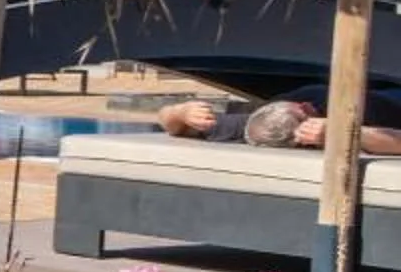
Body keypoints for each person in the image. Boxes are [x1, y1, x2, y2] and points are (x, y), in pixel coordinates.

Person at [157, 83, 401, 153]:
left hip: (388, 100)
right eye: (303, 110)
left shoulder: (365, 110)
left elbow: (165, 118)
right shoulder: (262, 129)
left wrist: (180, 112)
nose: (306, 106)